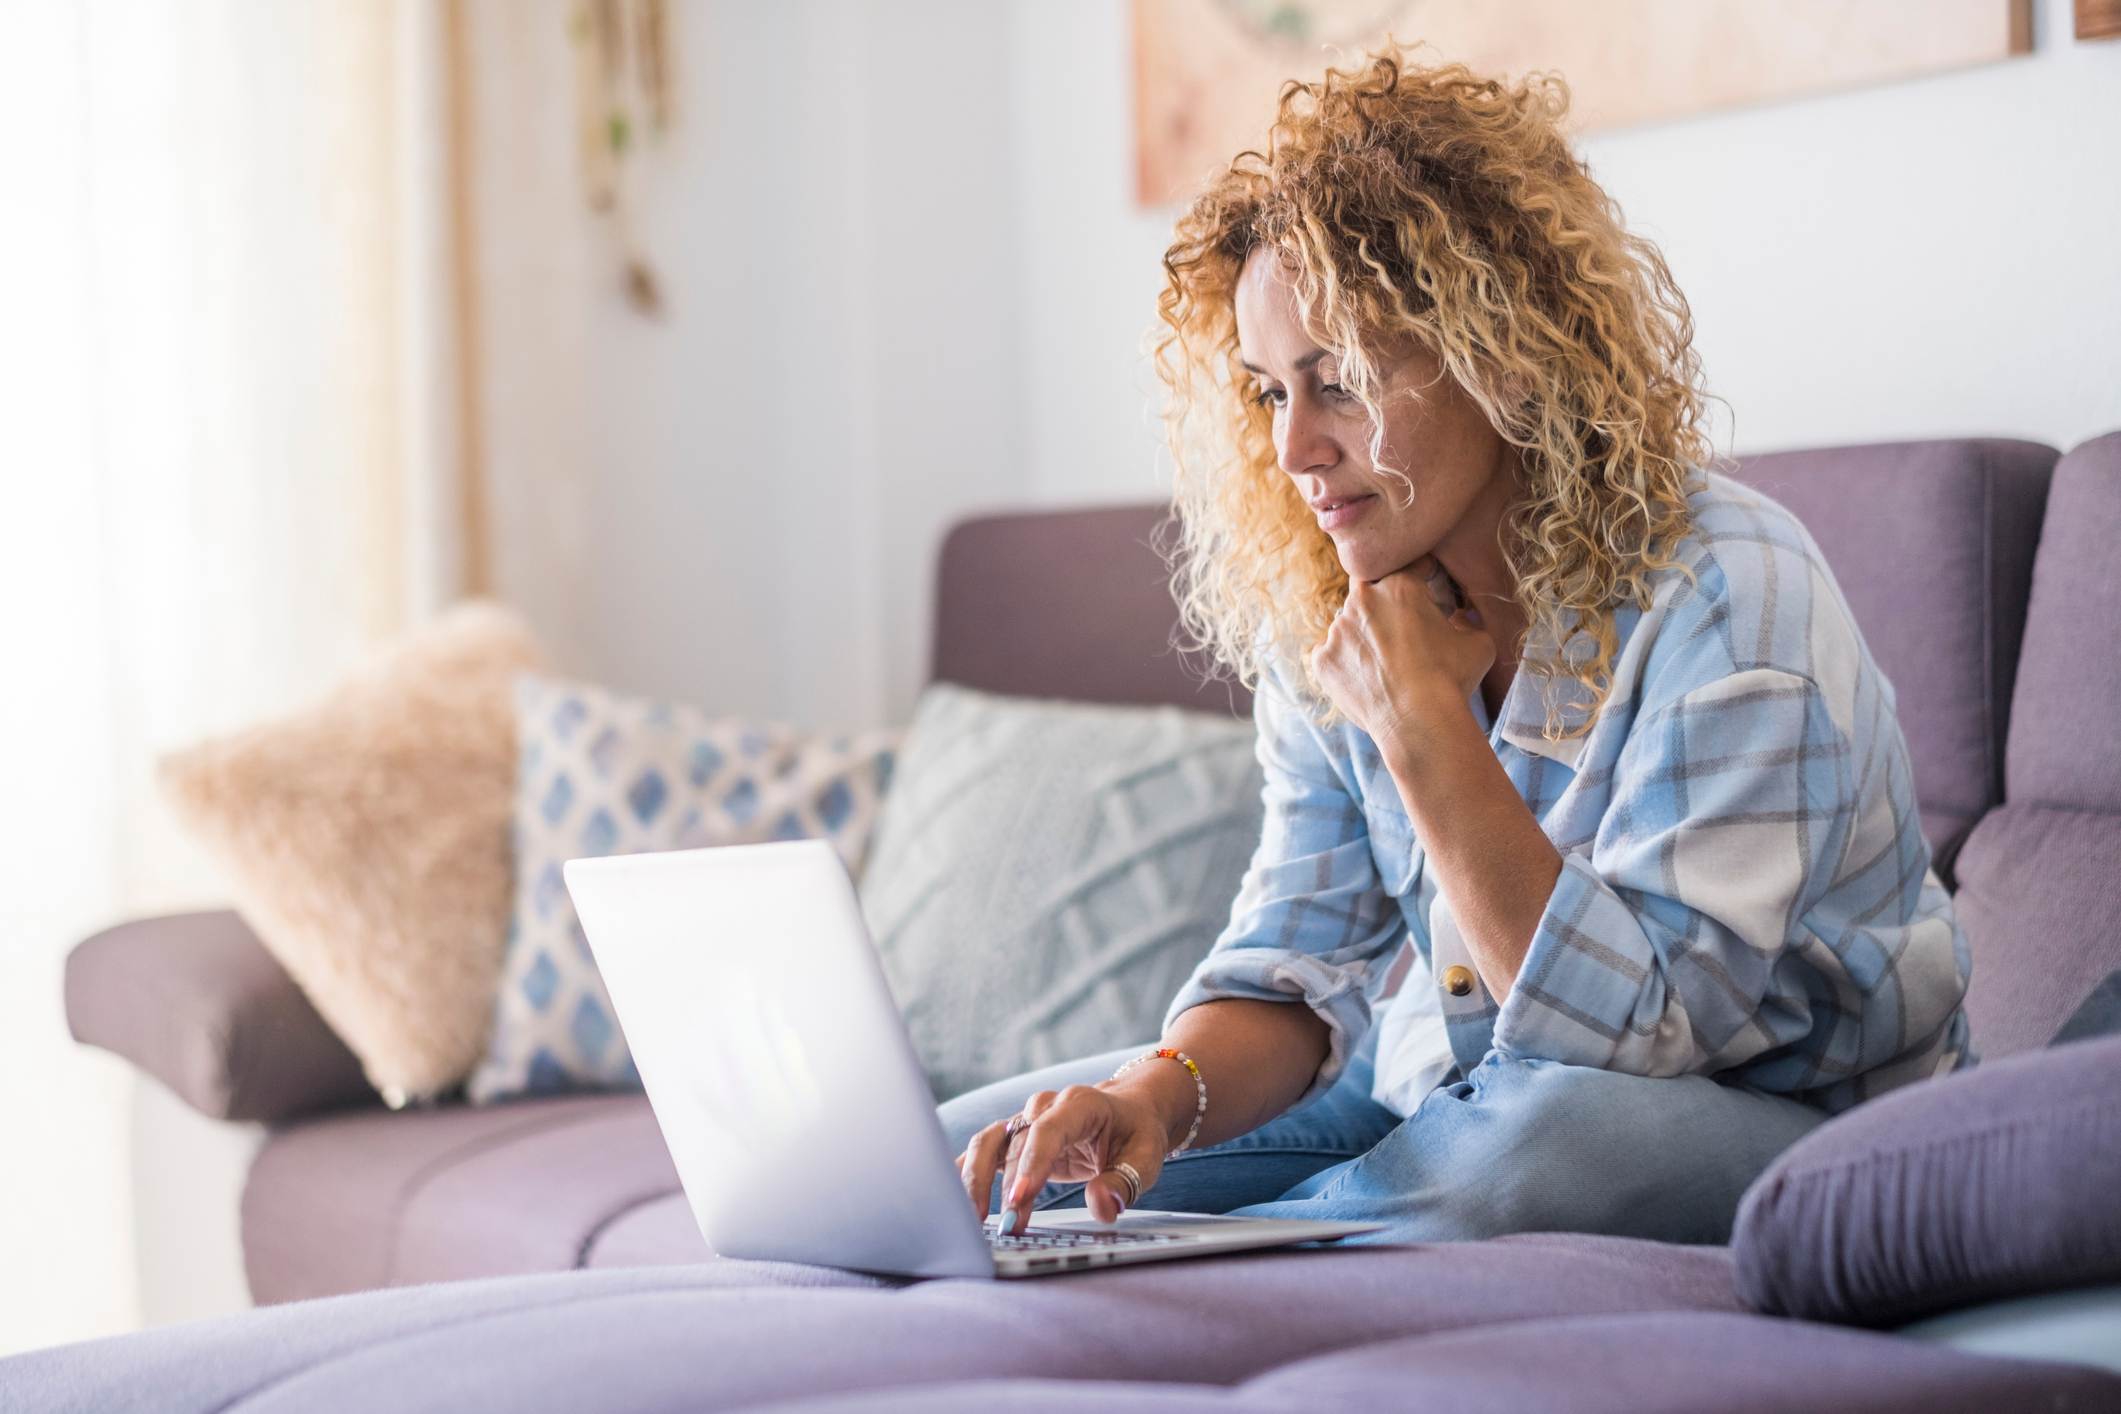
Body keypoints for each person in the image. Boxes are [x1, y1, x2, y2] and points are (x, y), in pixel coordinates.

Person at [940, 45, 1973, 1245]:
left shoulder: (1733, 597)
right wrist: (1152, 1099)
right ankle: (1256, 1236)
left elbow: (1636, 1040)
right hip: (1462, 1096)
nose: (1294, 451)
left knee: (1531, 1143)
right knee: (973, 1146)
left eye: (1339, 380)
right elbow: (1292, 965)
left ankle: (1258, 1249)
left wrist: (1426, 728)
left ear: (1503, 353)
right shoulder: (1335, 606)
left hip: (1783, 1122)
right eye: (1271, 391)